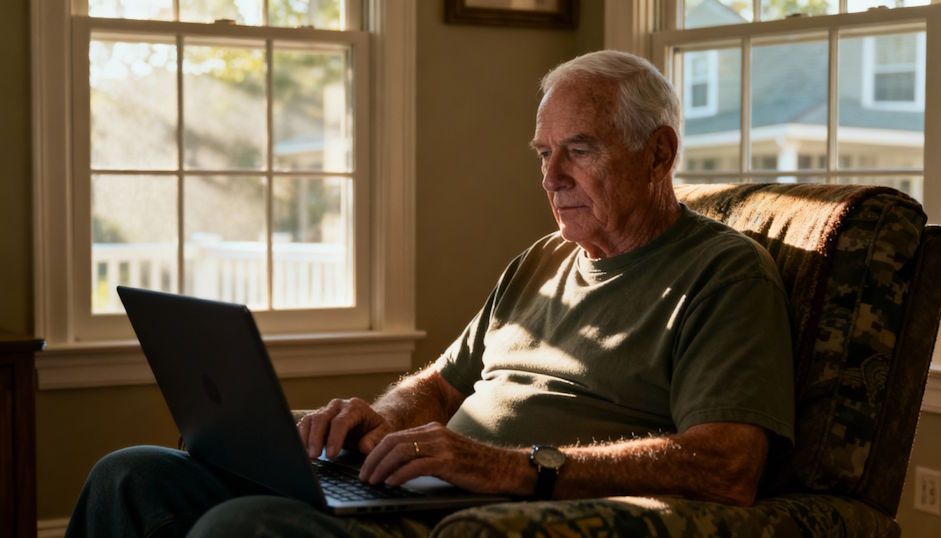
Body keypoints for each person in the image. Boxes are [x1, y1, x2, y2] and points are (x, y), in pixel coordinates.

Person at [66, 50, 794, 537]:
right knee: (130, 476)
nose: (550, 178)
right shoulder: (541, 260)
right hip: (417, 493)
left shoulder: (722, 274)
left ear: (658, 152)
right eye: (544, 153)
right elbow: (442, 384)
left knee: (243, 526)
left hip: (485, 521)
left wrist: (512, 468)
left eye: (579, 149)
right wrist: (371, 420)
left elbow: (726, 466)